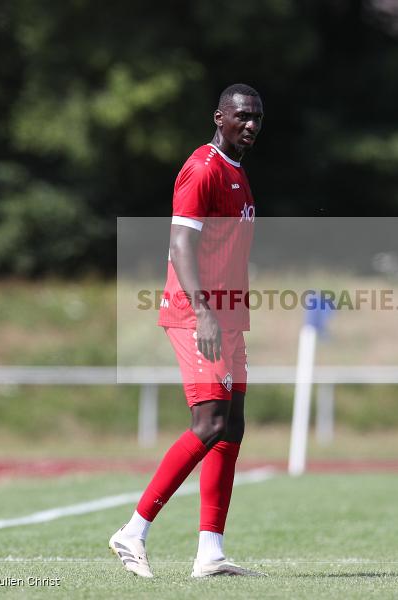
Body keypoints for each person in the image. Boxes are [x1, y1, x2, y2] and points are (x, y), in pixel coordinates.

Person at [110, 83, 264, 578]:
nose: (251, 125)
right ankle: (132, 532)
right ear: (218, 117)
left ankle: (210, 553)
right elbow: (180, 245)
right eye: (242, 116)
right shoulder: (203, 168)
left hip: (228, 315)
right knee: (209, 423)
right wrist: (204, 313)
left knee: (231, 427)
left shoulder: (237, 172)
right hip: (198, 314)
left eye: (257, 117)